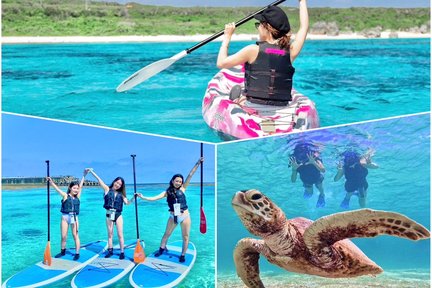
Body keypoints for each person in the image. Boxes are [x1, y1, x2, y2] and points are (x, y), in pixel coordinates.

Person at [217, 1, 309, 108]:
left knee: (240, 97)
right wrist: (302, 1)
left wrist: (227, 37)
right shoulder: (290, 51)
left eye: (259, 25)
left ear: (267, 27)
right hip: (282, 107)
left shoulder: (252, 50)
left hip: (254, 106)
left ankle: (236, 99)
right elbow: (304, 27)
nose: (258, 28)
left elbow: (221, 63)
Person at [136, 157, 204, 263]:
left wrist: (198, 163)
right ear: (172, 181)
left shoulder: (183, 189)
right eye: (177, 181)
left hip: (185, 216)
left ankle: (182, 255)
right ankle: (161, 249)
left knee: (185, 236)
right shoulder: (166, 192)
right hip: (173, 216)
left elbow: (190, 175)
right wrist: (143, 197)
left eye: (180, 182)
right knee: (166, 234)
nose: (178, 183)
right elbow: (153, 198)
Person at [87, 169, 135, 260]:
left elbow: (127, 203)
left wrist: (134, 197)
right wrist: (91, 172)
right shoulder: (107, 189)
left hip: (118, 214)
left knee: (120, 234)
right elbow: (99, 180)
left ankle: (122, 252)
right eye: (117, 182)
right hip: (109, 213)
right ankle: (110, 250)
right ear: (114, 182)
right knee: (110, 234)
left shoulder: (122, 194)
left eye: (120, 184)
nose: (117, 185)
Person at [47, 169, 88, 260]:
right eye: (74, 188)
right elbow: (57, 189)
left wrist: (84, 176)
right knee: (64, 236)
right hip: (65, 217)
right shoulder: (65, 196)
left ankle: (77, 253)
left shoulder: (78, 196)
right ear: (70, 188)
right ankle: (63, 251)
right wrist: (51, 182)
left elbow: (81, 186)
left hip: (74, 218)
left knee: (75, 235)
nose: (76, 190)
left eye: (77, 189)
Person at [289, 143, 326, 208]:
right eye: (300, 159)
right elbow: (293, 180)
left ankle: (322, 195)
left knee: (320, 189)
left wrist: (314, 162)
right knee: (309, 193)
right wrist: (294, 169)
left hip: (317, 178)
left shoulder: (313, 157)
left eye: (305, 158)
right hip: (306, 181)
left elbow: (323, 170)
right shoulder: (295, 163)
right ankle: (309, 191)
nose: (303, 161)